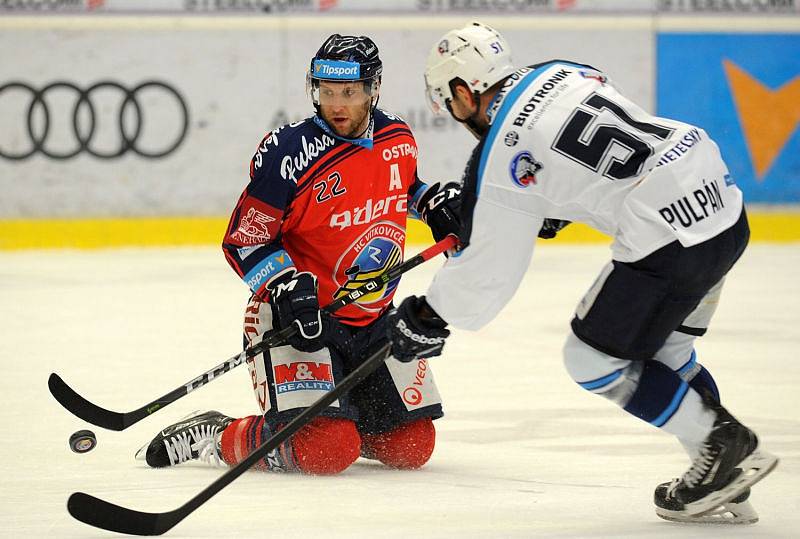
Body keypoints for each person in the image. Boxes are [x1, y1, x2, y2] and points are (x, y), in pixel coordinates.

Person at [386, 21, 778, 523]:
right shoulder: (564, 69)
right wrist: (550, 203)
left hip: (667, 231)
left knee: (590, 360)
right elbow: (592, 145)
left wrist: (428, 313)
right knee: (669, 353)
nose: (454, 114)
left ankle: (719, 443)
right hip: (720, 202)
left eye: (450, 102)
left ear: (464, 92)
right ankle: (725, 481)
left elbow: (489, 274)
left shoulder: (497, 152)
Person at [136, 34, 461, 475]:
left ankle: (336, 414)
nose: (337, 104)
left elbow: (400, 190)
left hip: (372, 319)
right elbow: (245, 240)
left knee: (411, 446)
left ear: (373, 89)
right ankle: (220, 434)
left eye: (348, 92)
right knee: (326, 450)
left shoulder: (397, 137)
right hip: (300, 321)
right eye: (327, 92)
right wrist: (285, 284)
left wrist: (431, 202)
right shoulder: (288, 154)